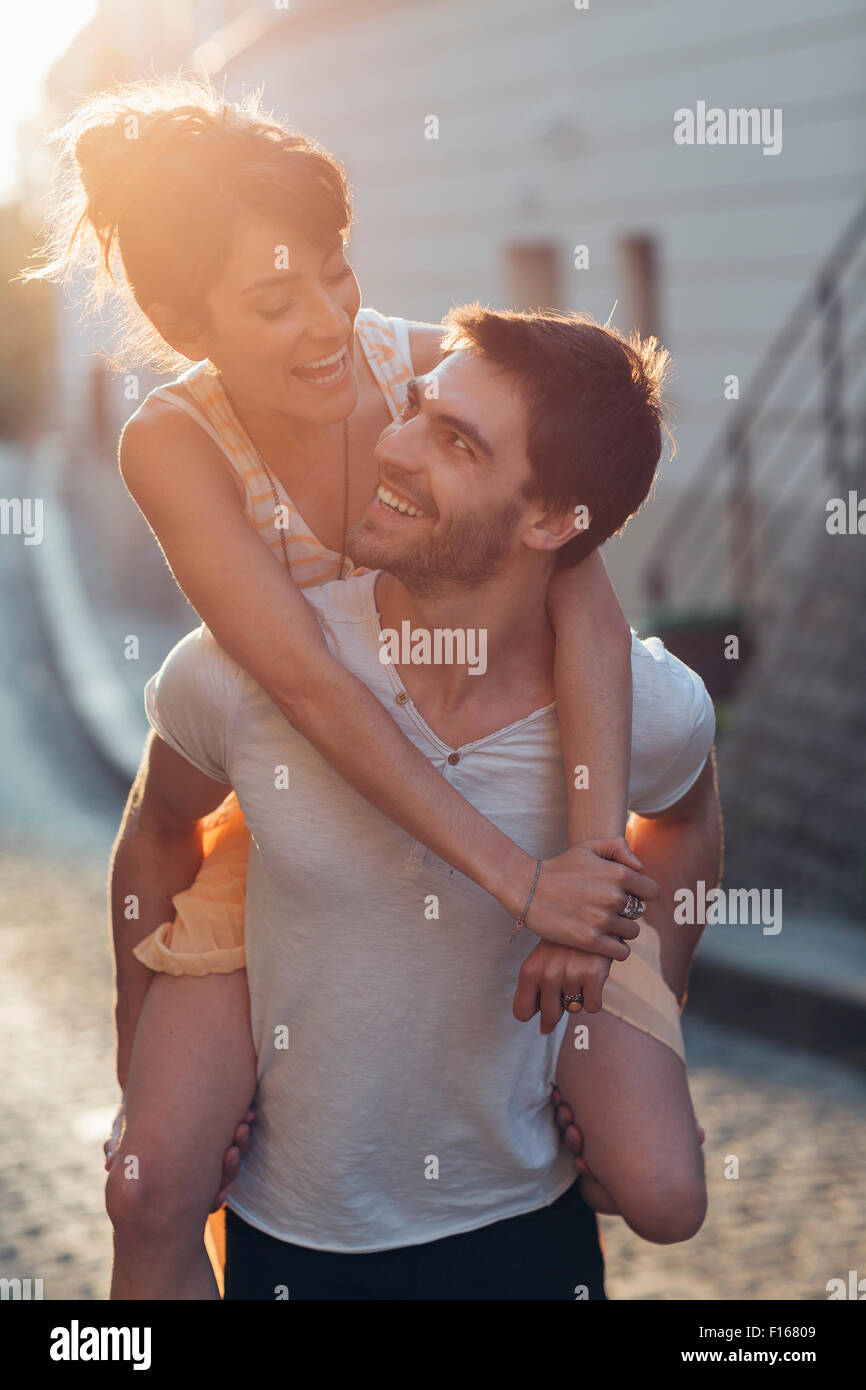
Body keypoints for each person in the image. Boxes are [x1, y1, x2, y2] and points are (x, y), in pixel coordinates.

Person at [24, 77, 653, 1297]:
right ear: (176, 314)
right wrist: (518, 878)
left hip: (467, 793)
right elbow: (307, 687)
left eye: (335, 269)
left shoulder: (428, 371)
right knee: (148, 1185)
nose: (326, 321)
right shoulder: (170, 442)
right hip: (270, 826)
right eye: (273, 299)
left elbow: (582, 598)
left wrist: (587, 866)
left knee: (662, 1187)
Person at [108, 303, 718, 1301]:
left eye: (452, 442)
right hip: (293, 1241)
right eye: (415, 409)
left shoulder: (644, 710)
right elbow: (159, 826)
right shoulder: (236, 674)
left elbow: (687, 820)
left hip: (524, 1237)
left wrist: (636, 982)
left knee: (667, 1195)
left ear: (551, 523)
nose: (386, 446)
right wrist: (138, 1066)